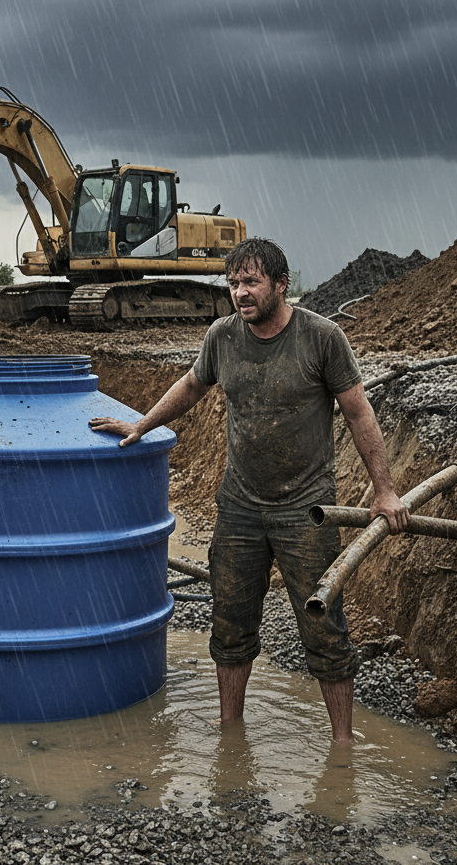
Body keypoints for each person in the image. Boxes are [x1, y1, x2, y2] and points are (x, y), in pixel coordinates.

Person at [89, 237, 409, 742]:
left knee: (324, 627)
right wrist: (142, 424)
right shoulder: (222, 336)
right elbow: (193, 385)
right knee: (230, 624)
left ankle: (343, 746)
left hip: (308, 511)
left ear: (281, 285)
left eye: (251, 281)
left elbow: (358, 411)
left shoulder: (322, 338)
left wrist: (385, 491)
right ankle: (229, 733)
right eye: (233, 282)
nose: (240, 292)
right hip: (238, 507)